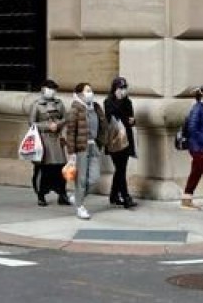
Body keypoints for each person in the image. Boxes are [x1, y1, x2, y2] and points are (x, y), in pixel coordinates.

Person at [61, 82, 106, 220]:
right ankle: (80, 207)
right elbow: (70, 132)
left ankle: (76, 197)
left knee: (94, 178)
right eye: (87, 91)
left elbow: (103, 126)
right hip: (81, 148)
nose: (90, 93)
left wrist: (101, 142)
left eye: (91, 90)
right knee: (80, 179)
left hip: (94, 146)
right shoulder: (76, 109)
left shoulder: (96, 107)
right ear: (79, 93)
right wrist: (72, 153)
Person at [28, 79, 72, 207]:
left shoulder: (59, 103)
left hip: (57, 139)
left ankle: (62, 194)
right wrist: (47, 126)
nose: (52, 91)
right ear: (43, 89)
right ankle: (41, 194)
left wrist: (57, 124)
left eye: (54, 89)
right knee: (43, 168)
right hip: (43, 140)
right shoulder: (36, 105)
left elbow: (65, 118)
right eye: (49, 88)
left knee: (60, 168)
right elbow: (32, 123)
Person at [103, 76, 137, 208]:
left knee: (121, 169)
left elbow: (131, 118)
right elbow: (112, 116)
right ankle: (125, 197)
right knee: (120, 169)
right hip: (114, 139)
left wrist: (133, 121)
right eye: (120, 88)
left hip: (126, 140)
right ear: (114, 89)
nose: (123, 91)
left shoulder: (128, 102)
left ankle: (114, 195)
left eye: (125, 88)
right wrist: (119, 101)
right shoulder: (108, 102)